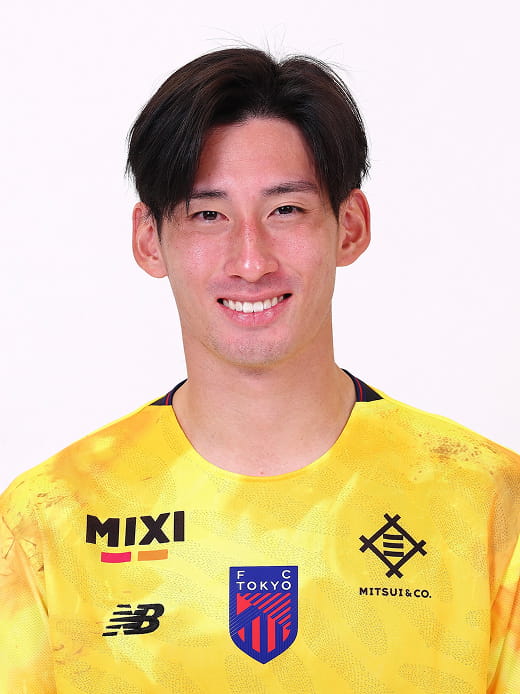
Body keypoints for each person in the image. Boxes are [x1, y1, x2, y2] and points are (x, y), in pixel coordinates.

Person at [0, 48, 518, 694]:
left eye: (286, 210)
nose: (251, 261)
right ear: (148, 239)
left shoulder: (486, 502)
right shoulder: (50, 517)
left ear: (350, 226)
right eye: (207, 214)